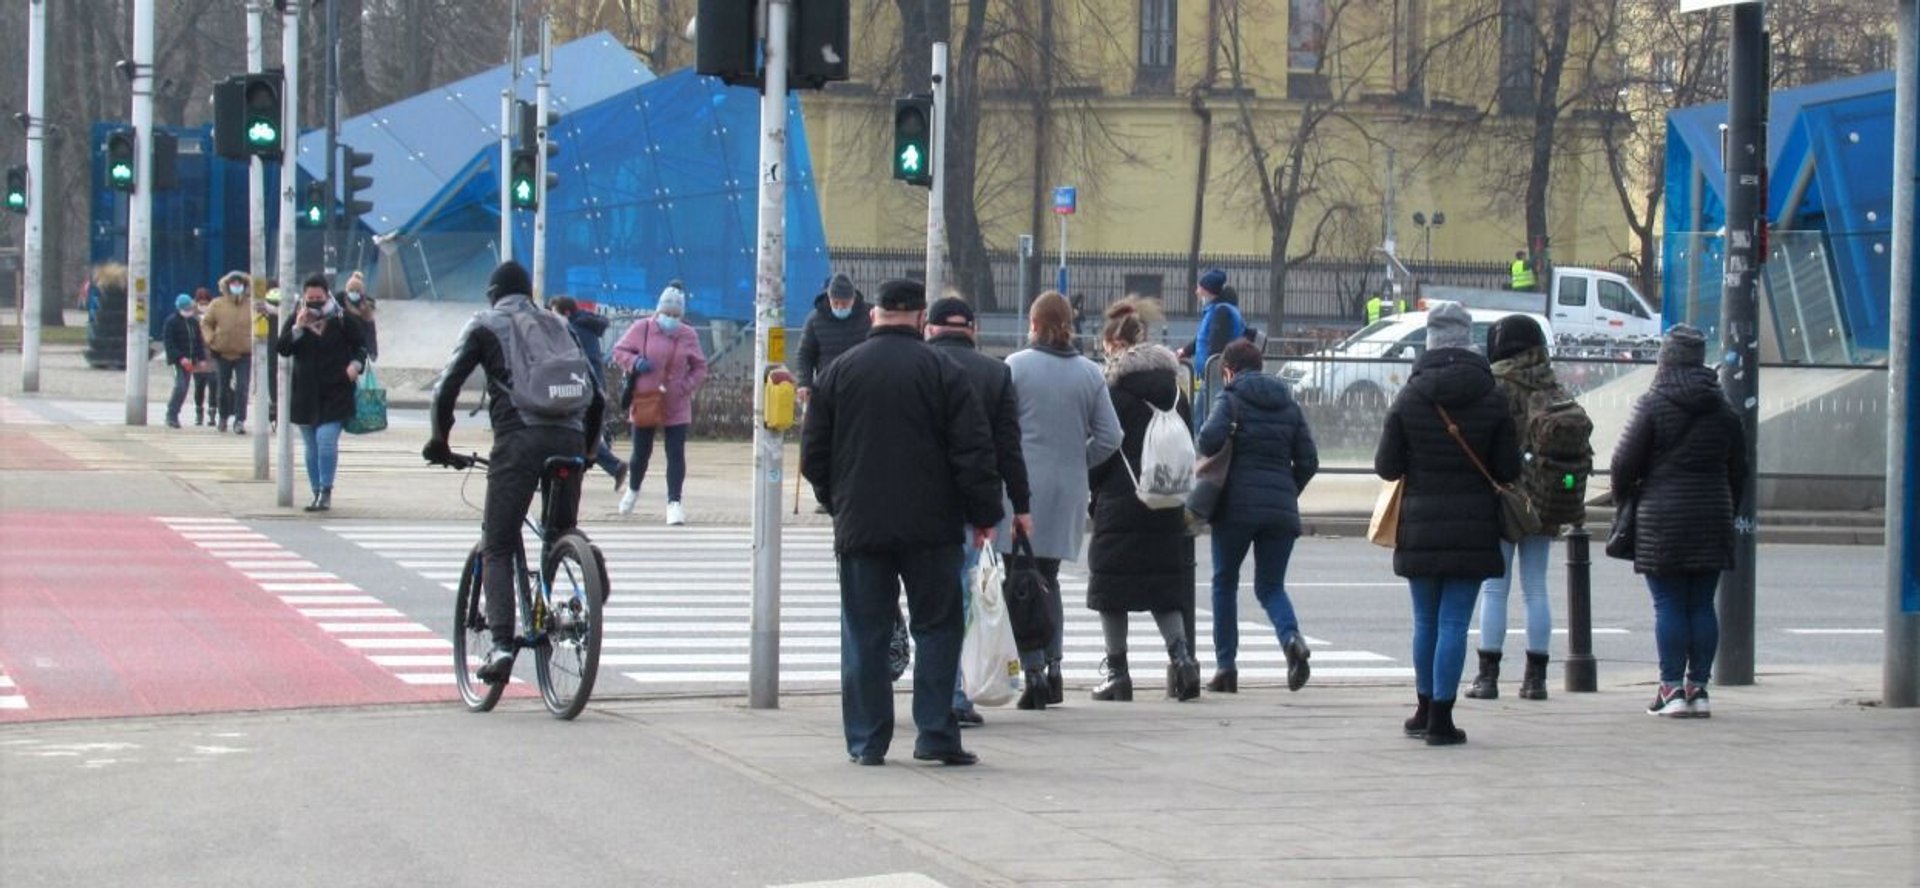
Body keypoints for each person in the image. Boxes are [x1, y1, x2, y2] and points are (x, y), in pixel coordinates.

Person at [801, 278, 1002, 767]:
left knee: (865, 633)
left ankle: (867, 741)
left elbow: (814, 456)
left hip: (861, 526)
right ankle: (935, 732)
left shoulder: (839, 373)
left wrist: (837, 501)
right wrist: (982, 515)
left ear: (874, 314)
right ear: (918, 317)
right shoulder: (943, 370)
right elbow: (972, 451)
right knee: (937, 627)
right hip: (932, 528)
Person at [423, 261, 606, 684]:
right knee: (559, 531)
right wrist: (589, 450)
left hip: (519, 440)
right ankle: (584, 563)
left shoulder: (486, 324)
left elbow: (446, 387)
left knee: (499, 544)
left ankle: (503, 646)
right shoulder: (561, 325)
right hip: (569, 440)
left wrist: (439, 441)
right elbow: (597, 396)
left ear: (492, 294)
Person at [1374, 301, 1520, 746]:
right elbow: (1509, 468)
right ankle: (1442, 719)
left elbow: (1387, 465)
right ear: (1469, 339)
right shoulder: (1492, 396)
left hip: (1420, 523)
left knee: (1426, 622)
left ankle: (1421, 709)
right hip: (1473, 526)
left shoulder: (1411, 395)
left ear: (1430, 341)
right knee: (1455, 623)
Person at [1610, 324, 1746, 718]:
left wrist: (1626, 499)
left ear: (1665, 358)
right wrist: (1727, 505)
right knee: (1702, 603)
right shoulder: (1724, 409)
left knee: (1668, 603)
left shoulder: (1653, 403)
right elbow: (1739, 468)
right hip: (1713, 512)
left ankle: (1670, 689)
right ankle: (1698, 688)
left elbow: (1623, 462)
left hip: (1663, 515)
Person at [999, 290, 1123, 706]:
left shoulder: (1015, 367)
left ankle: (1032, 669)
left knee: (1018, 581)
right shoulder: (1089, 373)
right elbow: (1111, 436)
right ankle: (1054, 668)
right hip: (1069, 488)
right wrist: (1077, 459)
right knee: (1046, 578)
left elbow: (1000, 428)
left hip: (1022, 491)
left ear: (1034, 325)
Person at [1086, 297, 1202, 703]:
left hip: (1121, 496)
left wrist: (1093, 487)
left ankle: (1118, 674)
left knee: (1111, 589)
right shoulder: (1174, 390)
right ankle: (1183, 660)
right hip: (1166, 497)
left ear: (1115, 346)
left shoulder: (1113, 390)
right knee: (1163, 585)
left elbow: (1103, 445)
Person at [923, 295, 1034, 718]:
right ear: (973, 329)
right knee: (964, 602)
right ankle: (953, 697)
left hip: (915, 505)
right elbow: (1008, 448)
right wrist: (1019, 506)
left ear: (930, 328)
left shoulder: (918, 366)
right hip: (970, 506)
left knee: (919, 600)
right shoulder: (995, 373)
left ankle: (920, 692)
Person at [1196, 338, 1320, 694]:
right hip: (1280, 511)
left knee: (1224, 583)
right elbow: (1309, 461)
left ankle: (1226, 668)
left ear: (1228, 370)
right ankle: (1292, 639)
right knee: (1270, 586)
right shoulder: (1288, 404)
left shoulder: (1230, 398)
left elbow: (1207, 441)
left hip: (1235, 508)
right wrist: (1286, 491)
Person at [1467, 314, 1564, 701]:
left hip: (1503, 495)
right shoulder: (1551, 382)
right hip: (1546, 497)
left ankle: (1488, 677)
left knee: (1494, 588)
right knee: (1536, 588)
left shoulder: (1496, 383)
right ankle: (1536, 678)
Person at [610, 282, 709, 525]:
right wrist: (634, 363)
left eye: (676, 315)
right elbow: (619, 351)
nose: (671, 319)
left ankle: (674, 502)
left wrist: (685, 387)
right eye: (667, 314)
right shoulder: (641, 328)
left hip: (676, 404)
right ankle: (633, 490)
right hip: (645, 400)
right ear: (658, 311)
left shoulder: (688, 334)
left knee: (675, 454)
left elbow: (700, 366)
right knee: (640, 453)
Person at [277, 273, 369, 513]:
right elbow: (283, 348)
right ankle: (316, 491)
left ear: (327, 295)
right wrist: (298, 327)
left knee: (325, 441)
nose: (315, 302)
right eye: (311, 298)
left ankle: (326, 490)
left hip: (336, 391)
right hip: (305, 394)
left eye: (319, 297)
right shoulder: (298, 319)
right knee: (311, 447)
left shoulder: (341, 319)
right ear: (304, 298)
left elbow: (361, 346)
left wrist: (355, 366)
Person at [795, 273, 872, 513]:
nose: (840, 308)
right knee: (827, 445)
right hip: (827, 392)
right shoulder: (815, 320)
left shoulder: (868, 317)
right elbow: (805, 355)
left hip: (862, 391)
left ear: (852, 300)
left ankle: (860, 490)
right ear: (828, 299)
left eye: (844, 304)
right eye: (836, 303)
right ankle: (826, 493)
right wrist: (804, 383)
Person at [549, 295, 628, 493]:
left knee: (573, 431)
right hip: (591, 384)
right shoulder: (585, 325)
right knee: (579, 432)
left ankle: (612, 465)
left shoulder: (575, 329)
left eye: (555, 312)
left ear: (566, 312)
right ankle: (604, 467)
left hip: (582, 386)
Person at [201, 270, 254, 434]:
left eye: (240, 284)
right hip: (222, 352)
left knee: (242, 387)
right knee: (222, 387)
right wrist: (211, 339)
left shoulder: (251, 304)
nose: (236, 287)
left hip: (244, 353)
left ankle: (240, 420)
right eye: (233, 284)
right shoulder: (217, 304)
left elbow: (261, 322)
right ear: (227, 286)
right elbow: (206, 323)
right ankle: (223, 417)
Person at [1177, 268, 1245, 380]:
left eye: (1199, 288)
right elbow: (1203, 338)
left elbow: (1217, 345)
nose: (1196, 292)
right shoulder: (1217, 310)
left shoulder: (1221, 312)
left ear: (1207, 291)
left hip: (1214, 376)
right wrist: (1186, 351)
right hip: (1211, 374)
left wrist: (1212, 370)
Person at [162, 293, 211, 429]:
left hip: (191, 362)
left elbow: (198, 342)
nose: (188, 310)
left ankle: (174, 414)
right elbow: (169, 343)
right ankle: (171, 414)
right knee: (180, 386)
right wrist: (180, 358)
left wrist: (201, 358)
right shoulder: (171, 322)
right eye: (185, 308)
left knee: (184, 389)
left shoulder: (194, 322)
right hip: (178, 362)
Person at [190, 288, 217, 425]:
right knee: (199, 387)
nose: (203, 305)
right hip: (199, 359)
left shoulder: (215, 316)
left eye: (206, 303)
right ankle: (199, 413)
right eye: (201, 303)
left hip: (213, 357)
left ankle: (212, 414)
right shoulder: (192, 318)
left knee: (214, 386)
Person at [340, 271, 378, 362]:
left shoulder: (366, 309)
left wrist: (372, 351)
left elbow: (370, 332)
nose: (354, 293)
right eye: (351, 290)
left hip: (360, 348)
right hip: (343, 347)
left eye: (357, 291)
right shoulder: (341, 305)